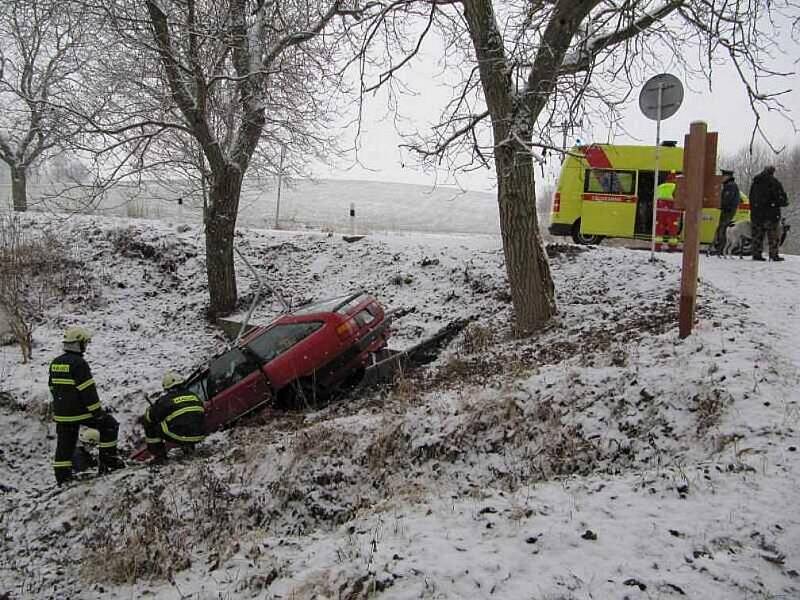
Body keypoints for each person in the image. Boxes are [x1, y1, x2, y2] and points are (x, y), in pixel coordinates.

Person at [48, 326, 125, 485]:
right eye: (85, 343)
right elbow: (87, 391)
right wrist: (97, 412)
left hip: (62, 414)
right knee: (109, 425)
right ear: (79, 343)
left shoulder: (55, 363)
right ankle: (108, 462)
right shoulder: (79, 363)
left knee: (65, 445)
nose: (86, 346)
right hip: (80, 412)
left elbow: (52, 387)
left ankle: (63, 479)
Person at [143, 370, 206, 464]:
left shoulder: (165, 401)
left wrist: (152, 409)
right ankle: (188, 446)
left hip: (183, 436)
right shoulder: (193, 395)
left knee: (152, 427)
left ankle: (159, 457)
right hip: (200, 434)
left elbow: (149, 418)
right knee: (183, 421)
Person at [749, 165, 789, 261]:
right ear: (772, 172)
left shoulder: (756, 182)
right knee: (773, 236)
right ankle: (773, 254)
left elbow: (751, 197)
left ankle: (756, 254)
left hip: (757, 214)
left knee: (757, 236)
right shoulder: (775, 183)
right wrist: (782, 202)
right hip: (771, 215)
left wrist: (755, 208)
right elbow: (781, 199)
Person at [712, 169, 741, 254]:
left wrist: (720, 205)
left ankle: (720, 249)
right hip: (728, 210)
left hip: (728, 211)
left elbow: (727, 199)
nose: (722, 178)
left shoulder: (730, 186)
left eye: (723, 176)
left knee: (723, 229)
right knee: (722, 228)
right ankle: (720, 248)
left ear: (728, 176)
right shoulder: (729, 185)